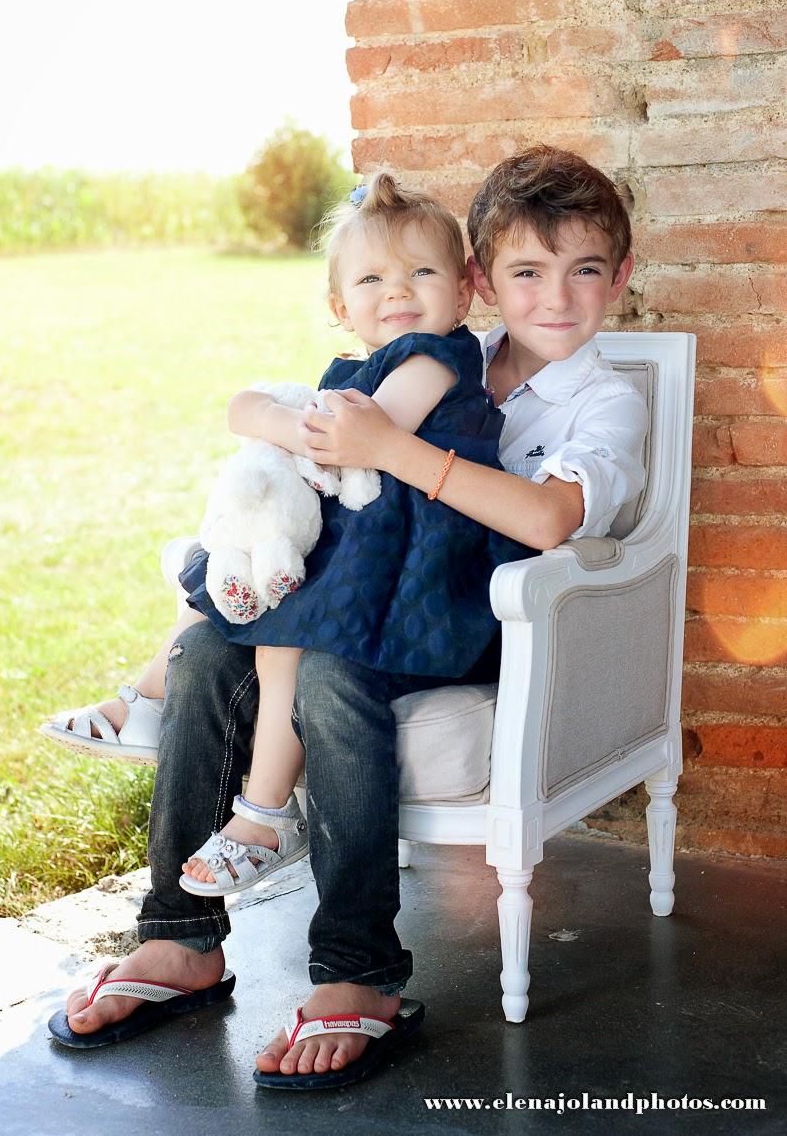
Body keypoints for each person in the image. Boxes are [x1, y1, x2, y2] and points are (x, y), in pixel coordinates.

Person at [49, 146, 648, 1089]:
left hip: (469, 619)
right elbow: (313, 431)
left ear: (619, 276)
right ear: (483, 282)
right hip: (374, 594)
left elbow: (547, 517)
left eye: (584, 272)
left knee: (329, 671)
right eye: (529, 272)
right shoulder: (446, 344)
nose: (557, 298)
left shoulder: (605, 403)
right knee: (211, 651)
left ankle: (357, 974)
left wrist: (385, 448)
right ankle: (179, 937)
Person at [43, 172, 532, 906]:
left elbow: (358, 437)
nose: (398, 291)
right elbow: (271, 418)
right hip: (365, 539)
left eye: (421, 272)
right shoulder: (358, 367)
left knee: (287, 626)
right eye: (372, 278)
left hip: (413, 565)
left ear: (463, 293)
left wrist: (275, 424)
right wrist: (265, 419)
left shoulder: (435, 359)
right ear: (342, 307)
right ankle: (143, 695)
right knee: (220, 560)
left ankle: (265, 813)